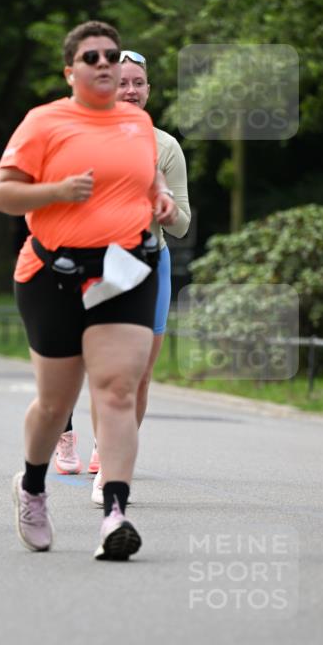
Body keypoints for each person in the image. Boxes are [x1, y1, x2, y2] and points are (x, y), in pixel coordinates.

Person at [0, 20, 177, 561]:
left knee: (118, 389)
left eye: (111, 56)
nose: (104, 64)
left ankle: (115, 512)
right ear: (70, 70)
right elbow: (2, 194)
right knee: (56, 402)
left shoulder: (137, 123)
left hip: (125, 270)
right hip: (54, 273)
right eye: (91, 57)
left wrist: (161, 198)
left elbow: (149, 178)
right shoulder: (44, 122)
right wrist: (57, 191)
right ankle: (32, 486)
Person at [88, 48, 192, 503]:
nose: (130, 91)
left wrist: (160, 203)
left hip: (149, 263)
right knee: (106, 370)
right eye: (121, 82)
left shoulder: (165, 146)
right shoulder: (83, 136)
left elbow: (182, 224)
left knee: (141, 375)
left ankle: (112, 455)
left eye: (138, 83)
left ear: (149, 90)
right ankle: (109, 457)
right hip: (97, 262)